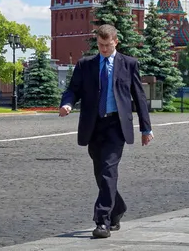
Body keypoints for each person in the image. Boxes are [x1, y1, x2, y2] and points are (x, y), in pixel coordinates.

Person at [59, 24, 153, 239]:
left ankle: (103, 221)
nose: (103, 49)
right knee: (100, 174)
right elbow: (73, 90)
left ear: (115, 42)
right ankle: (117, 208)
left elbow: (139, 97)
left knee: (109, 170)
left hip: (116, 126)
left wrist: (146, 129)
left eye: (107, 45)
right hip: (93, 126)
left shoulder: (128, 64)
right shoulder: (86, 65)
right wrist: (67, 104)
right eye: (100, 45)